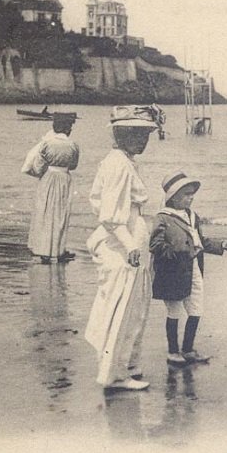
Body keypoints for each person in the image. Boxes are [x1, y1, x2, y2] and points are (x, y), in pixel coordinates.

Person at [84, 106, 159, 391]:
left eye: (146, 134)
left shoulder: (122, 162)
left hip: (128, 239)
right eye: (139, 134)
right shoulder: (118, 165)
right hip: (121, 244)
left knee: (133, 306)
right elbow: (110, 214)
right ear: (124, 134)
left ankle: (126, 364)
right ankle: (114, 374)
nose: (145, 140)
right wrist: (129, 245)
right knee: (121, 308)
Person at [150, 171, 227, 366]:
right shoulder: (163, 218)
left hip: (193, 267)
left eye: (192, 194)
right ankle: (173, 352)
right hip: (172, 270)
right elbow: (155, 244)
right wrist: (172, 252)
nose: (191, 198)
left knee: (196, 307)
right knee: (174, 310)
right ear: (173, 197)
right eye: (186, 194)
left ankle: (188, 349)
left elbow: (200, 241)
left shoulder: (192, 216)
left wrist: (221, 245)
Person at [23, 113, 79, 264]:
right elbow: (73, 165)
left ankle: (44, 252)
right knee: (61, 215)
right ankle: (59, 251)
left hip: (49, 178)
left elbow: (39, 166)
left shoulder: (47, 143)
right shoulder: (73, 145)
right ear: (68, 129)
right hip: (64, 179)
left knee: (45, 213)